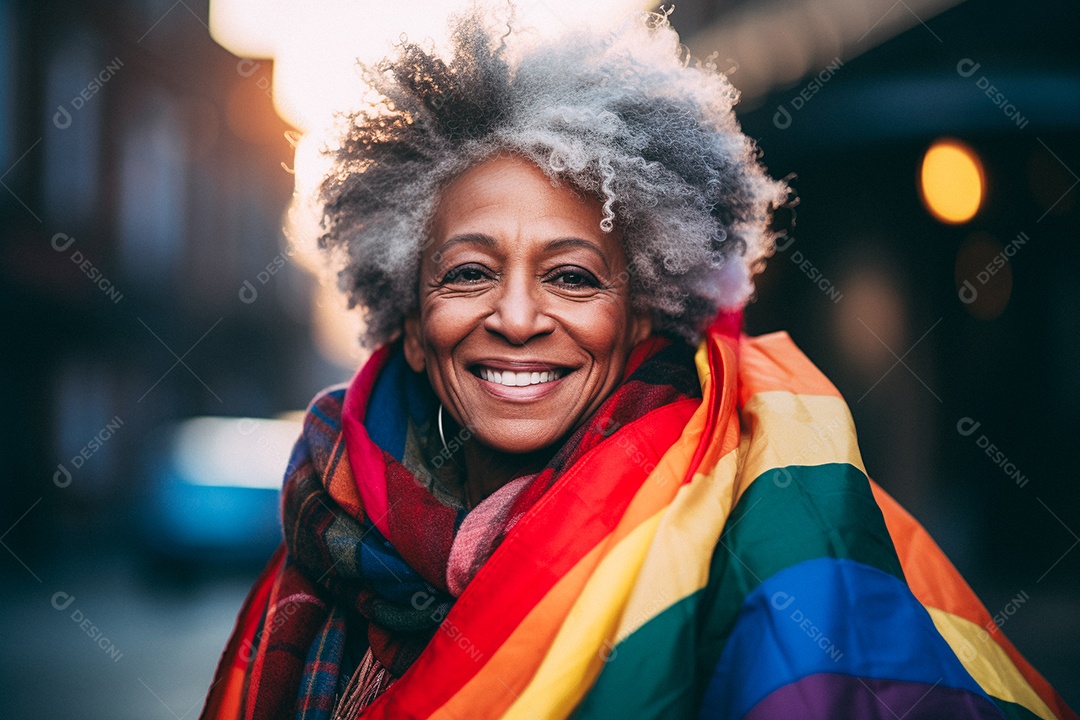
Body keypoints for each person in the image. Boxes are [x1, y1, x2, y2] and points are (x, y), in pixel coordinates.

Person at [200, 7, 1076, 720]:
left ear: (640, 312)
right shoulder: (320, 537)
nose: (513, 316)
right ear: (415, 323)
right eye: (469, 272)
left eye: (572, 276)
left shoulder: (759, 530)